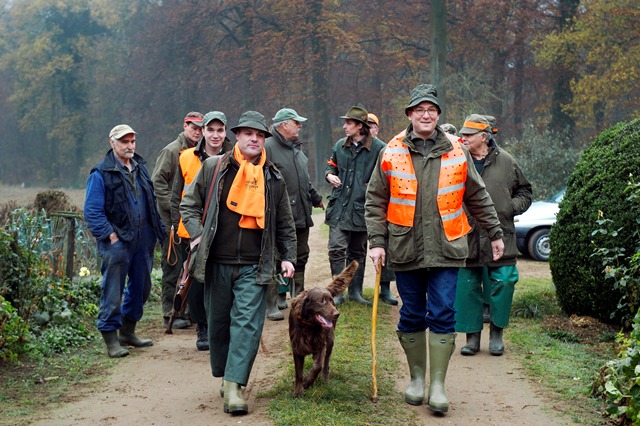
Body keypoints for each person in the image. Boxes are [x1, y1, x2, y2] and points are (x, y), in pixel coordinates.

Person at [365, 84, 504, 414]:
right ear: (410, 115)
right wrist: (377, 242)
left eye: (431, 110)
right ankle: (417, 380)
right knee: (411, 313)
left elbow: (477, 195)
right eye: (419, 110)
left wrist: (495, 232)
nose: (425, 115)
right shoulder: (392, 151)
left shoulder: (457, 149)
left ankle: (438, 385)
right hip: (405, 247)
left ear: (438, 115)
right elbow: (375, 200)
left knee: (443, 312)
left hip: (448, 247)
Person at [180, 111, 297, 415]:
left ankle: (235, 386)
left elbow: (285, 222)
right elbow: (188, 205)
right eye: (248, 134)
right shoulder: (213, 168)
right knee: (218, 325)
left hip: (255, 266)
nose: (254, 139)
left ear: (264, 140)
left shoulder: (273, 176)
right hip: (216, 262)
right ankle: (225, 374)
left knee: (246, 324)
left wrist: (288, 257)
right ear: (238, 136)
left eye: (259, 135)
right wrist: (196, 237)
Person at [84, 124, 166, 358]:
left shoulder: (140, 168)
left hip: (143, 240)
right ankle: (111, 339)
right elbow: (92, 211)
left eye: (132, 141)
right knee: (113, 290)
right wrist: (110, 235)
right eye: (124, 142)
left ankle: (128, 332)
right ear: (112, 142)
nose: (130, 146)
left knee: (142, 287)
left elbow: (151, 202)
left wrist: (157, 231)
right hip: (117, 242)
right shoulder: (101, 173)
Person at [454, 114, 532, 356]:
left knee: (505, 281)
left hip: (501, 235)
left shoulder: (507, 161)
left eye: (468, 135)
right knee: (467, 287)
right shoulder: (455, 160)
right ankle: (471, 338)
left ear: (484, 137)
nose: (463, 138)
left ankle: (497, 333)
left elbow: (525, 191)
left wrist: (510, 207)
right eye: (462, 134)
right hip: (465, 234)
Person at [170, 111, 234, 349]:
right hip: (192, 232)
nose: (215, 135)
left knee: (223, 280)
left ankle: (222, 326)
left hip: (224, 230)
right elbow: (178, 194)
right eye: (210, 130)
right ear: (203, 131)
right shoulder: (185, 157)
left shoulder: (234, 157)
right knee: (196, 282)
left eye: (220, 130)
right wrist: (176, 226)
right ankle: (203, 327)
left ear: (225, 132)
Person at [264, 108, 324, 321]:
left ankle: (298, 299)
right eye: (296, 122)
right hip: (277, 216)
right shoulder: (267, 147)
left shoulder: (297, 149)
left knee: (301, 256)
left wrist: (315, 197)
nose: (300, 126)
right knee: (275, 258)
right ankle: (272, 303)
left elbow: (304, 180)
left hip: (301, 213)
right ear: (283, 125)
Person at [325, 106, 386, 305]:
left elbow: (386, 177)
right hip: (339, 207)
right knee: (336, 248)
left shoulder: (379, 149)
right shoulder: (339, 146)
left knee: (357, 252)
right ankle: (337, 291)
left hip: (363, 209)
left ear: (360, 126)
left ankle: (355, 292)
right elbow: (331, 165)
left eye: (348, 123)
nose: (344, 126)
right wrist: (329, 175)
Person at [153, 112, 204, 329]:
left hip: (192, 221)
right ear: (185, 125)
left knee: (191, 267)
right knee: (173, 267)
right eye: (194, 127)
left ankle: (190, 311)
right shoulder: (172, 150)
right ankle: (169, 312)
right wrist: (177, 210)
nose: (198, 132)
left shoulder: (200, 153)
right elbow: (157, 183)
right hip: (172, 222)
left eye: (201, 128)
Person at [366, 112, 398, 306]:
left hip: (382, 205)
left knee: (385, 245)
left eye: (372, 126)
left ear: (377, 129)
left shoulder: (386, 149)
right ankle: (354, 290)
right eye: (365, 125)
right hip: (360, 203)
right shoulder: (351, 147)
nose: (368, 129)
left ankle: (385, 288)